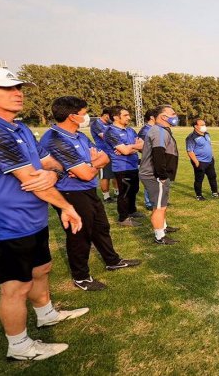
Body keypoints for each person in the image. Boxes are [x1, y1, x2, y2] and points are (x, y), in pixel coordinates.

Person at [0, 66, 86, 360]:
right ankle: (20, 347)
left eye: (19, 88)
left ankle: (46, 314)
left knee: (41, 269)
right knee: (15, 287)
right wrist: (66, 205)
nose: (17, 94)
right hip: (4, 223)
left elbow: (45, 166)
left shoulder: (18, 126)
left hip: (31, 219)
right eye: (6, 88)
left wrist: (56, 173)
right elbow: (31, 179)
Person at [40, 96, 142, 291]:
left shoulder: (79, 135)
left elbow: (103, 158)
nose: (88, 117)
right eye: (85, 113)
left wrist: (89, 165)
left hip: (87, 189)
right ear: (72, 116)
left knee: (101, 227)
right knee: (80, 234)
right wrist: (91, 165)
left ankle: (112, 260)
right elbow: (87, 173)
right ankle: (81, 276)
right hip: (69, 192)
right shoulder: (55, 139)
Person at [140, 105, 181, 245]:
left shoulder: (161, 130)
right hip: (154, 175)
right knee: (159, 207)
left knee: (160, 203)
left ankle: (163, 227)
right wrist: (162, 175)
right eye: (173, 113)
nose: (175, 116)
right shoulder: (159, 131)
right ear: (163, 117)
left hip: (155, 174)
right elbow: (158, 154)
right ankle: (159, 236)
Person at [104, 106, 144, 226]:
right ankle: (123, 218)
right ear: (116, 117)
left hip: (133, 165)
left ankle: (132, 211)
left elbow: (142, 146)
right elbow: (125, 151)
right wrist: (132, 147)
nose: (129, 117)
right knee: (125, 193)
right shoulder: (110, 132)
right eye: (125, 115)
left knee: (134, 190)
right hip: (121, 167)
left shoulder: (130, 130)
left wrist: (129, 147)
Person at [186, 118, 219, 200]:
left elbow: (209, 145)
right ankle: (199, 196)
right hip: (200, 162)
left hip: (210, 161)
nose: (204, 126)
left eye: (204, 124)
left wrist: (212, 155)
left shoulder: (207, 134)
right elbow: (190, 151)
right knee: (199, 179)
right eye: (202, 125)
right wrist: (196, 162)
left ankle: (215, 193)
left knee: (212, 176)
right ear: (195, 126)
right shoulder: (191, 137)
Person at [90, 107, 117, 203]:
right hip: (103, 153)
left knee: (115, 174)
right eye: (111, 116)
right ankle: (106, 197)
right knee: (105, 176)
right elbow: (105, 136)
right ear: (105, 115)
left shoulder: (109, 124)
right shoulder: (97, 124)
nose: (113, 118)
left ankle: (117, 193)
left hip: (113, 152)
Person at [138, 107, 159, 210]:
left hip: (157, 159)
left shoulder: (156, 128)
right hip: (149, 160)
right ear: (152, 117)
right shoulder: (145, 130)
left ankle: (157, 200)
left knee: (158, 180)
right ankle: (149, 203)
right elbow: (140, 147)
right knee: (150, 180)